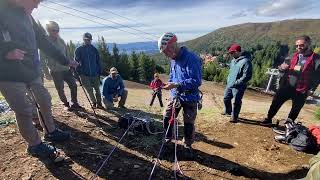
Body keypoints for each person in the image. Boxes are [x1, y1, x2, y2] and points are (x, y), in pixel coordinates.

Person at [0, 0, 79, 161]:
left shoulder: (28, 16)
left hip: (31, 70)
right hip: (7, 73)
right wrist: (5, 52)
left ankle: (51, 132)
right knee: (23, 109)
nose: (37, 6)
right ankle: (34, 145)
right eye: (35, 1)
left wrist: (65, 61)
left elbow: (43, 42)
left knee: (44, 100)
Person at [159, 32, 202, 156]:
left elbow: (196, 81)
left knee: (188, 123)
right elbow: (173, 76)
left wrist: (177, 85)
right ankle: (168, 139)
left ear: (172, 47)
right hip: (176, 95)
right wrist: (170, 85)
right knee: (167, 116)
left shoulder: (191, 58)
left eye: (166, 52)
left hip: (190, 96)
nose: (166, 56)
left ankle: (187, 144)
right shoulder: (173, 60)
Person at [261, 35, 320, 125]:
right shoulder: (293, 56)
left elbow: (317, 76)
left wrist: (312, 89)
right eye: (296, 46)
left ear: (308, 44)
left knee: (296, 108)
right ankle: (269, 118)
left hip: (302, 89)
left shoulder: (316, 58)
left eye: (301, 45)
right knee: (275, 102)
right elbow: (282, 67)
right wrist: (281, 68)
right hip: (287, 85)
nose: (298, 47)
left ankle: (288, 125)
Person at [43, 21, 83, 110]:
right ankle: (65, 103)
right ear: (48, 30)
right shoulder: (44, 42)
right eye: (54, 30)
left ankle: (74, 103)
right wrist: (46, 72)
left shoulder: (61, 41)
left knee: (73, 85)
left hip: (66, 68)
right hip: (55, 70)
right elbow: (42, 59)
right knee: (60, 89)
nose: (56, 32)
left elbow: (67, 54)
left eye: (57, 30)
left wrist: (72, 63)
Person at [222, 44, 252, 123]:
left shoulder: (246, 62)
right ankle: (228, 111)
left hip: (239, 86)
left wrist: (236, 82)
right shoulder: (233, 61)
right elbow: (231, 72)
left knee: (236, 102)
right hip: (230, 84)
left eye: (232, 53)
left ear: (237, 52)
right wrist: (228, 80)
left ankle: (234, 117)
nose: (231, 55)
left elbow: (247, 76)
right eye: (230, 53)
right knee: (226, 98)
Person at [75, 32, 103, 108]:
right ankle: (94, 102)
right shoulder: (79, 50)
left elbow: (98, 61)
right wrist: (79, 73)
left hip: (95, 73)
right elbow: (76, 62)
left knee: (97, 90)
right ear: (83, 39)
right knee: (89, 90)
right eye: (86, 39)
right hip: (84, 74)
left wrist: (99, 71)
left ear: (91, 40)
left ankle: (99, 104)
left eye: (89, 40)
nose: (88, 41)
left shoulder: (94, 49)